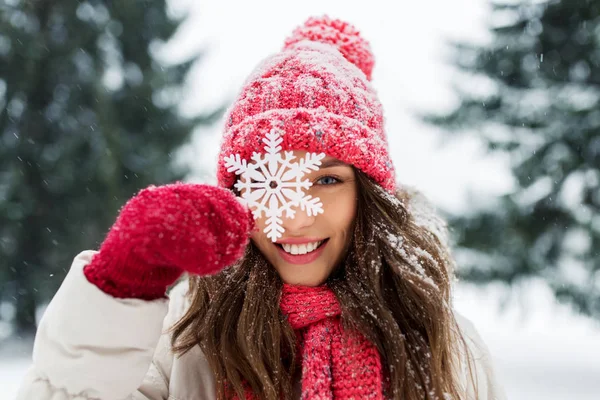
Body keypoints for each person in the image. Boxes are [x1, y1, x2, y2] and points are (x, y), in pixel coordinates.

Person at [17, 16, 506, 400]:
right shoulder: (183, 337)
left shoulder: (443, 343)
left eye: (327, 179)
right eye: (270, 182)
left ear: (369, 195)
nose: (293, 217)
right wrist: (120, 289)